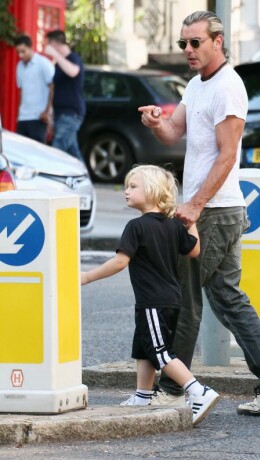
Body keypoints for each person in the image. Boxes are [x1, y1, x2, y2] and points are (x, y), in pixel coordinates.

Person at [138, 10, 260, 416]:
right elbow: (174, 133)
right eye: (183, 44)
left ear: (217, 41)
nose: (188, 49)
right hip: (215, 210)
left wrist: (193, 205)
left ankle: (175, 393)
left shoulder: (229, 87)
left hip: (213, 211)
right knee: (227, 297)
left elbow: (228, 156)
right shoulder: (196, 85)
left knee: (183, 297)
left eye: (195, 42)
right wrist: (157, 122)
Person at [81, 165, 220, 425]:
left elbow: (121, 262)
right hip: (167, 299)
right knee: (143, 347)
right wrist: (191, 225)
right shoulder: (173, 226)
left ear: (153, 192)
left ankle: (198, 391)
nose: (126, 191)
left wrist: (87, 276)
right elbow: (193, 251)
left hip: (153, 301)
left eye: (133, 186)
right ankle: (143, 396)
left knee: (160, 352)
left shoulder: (136, 227)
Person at [44, 30, 85, 162]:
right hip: (60, 113)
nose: (46, 47)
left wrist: (55, 54)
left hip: (70, 113)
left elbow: (73, 72)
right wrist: (50, 113)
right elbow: (54, 89)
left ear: (55, 43)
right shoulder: (58, 64)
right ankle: (85, 180)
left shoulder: (73, 58)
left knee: (57, 151)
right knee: (73, 152)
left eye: (48, 43)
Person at [14, 34, 54, 143]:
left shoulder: (43, 63)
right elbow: (21, 91)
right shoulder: (19, 66)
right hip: (23, 117)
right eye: (18, 52)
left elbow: (52, 87)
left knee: (37, 154)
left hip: (38, 117)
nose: (20, 55)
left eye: (23, 51)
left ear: (31, 48)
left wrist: (47, 112)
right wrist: (18, 114)